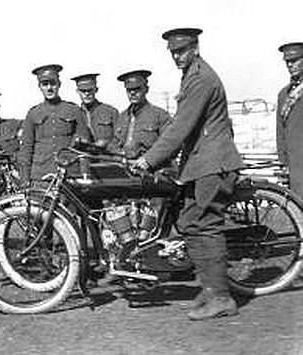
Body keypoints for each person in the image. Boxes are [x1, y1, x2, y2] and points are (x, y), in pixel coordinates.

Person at [133, 28, 244, 320]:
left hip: (212, 163)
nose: (176, 57)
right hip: (200, 163)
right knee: (188, 222)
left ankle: (221, 296)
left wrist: (149, 160)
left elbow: (180, 126)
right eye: (173, 53)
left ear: (195, 47)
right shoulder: (192, 75)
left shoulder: (201, 79)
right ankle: (208, 289)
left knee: (206, 224)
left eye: (181, 51)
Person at [18, 64, 91, 185]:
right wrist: (25, 180)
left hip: (68, 176)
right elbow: (26, 149)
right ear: (39, 87)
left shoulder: (73, 110)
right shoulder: (33, 114)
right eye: (45, 84)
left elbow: (83, 146)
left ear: (59, 84)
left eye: (53, 83)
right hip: (41, 177)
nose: (49, 88)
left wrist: (84, 174)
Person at [112, 70, 172, 158]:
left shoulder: (160, 116)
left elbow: (169, 146)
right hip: (124, 166)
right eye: (129, 90)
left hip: (151, 168)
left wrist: (147, 161)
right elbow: (114, 144)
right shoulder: (122, 117)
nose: (132, 93)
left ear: (146, 89)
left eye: (137, 89)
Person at [276, 42, 303, 197]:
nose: (290, 65)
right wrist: (283, 162)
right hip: (295, 166)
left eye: (295, 60)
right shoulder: (283, 95)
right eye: (288, 62)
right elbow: (281, 132)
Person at [70, 73, 119, 147]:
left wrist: (107, 144)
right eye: (83, 91)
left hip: (106, 156)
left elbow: (120, 139)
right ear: (77, 91)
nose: (86, 94)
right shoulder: (74, 114)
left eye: (90, 90)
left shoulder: (110, 112)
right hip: (83, 156)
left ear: (96, 90)